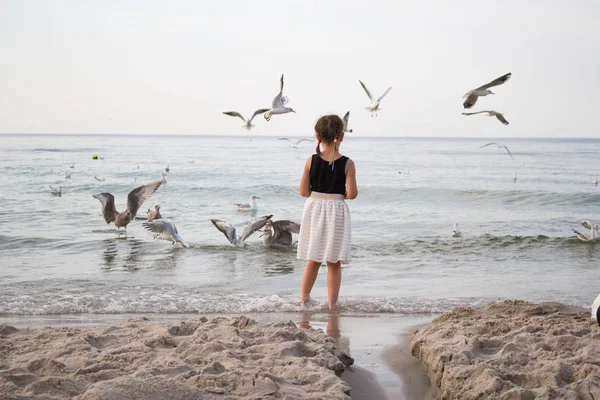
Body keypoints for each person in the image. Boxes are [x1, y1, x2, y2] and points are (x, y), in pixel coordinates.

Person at [297, 114, 358, 310]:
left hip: (314, 208)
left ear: (317, 136)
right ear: (341, 136)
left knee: (313, 258)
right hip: (336, 211)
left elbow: (304, 192)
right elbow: (353, 194)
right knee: (333, 261)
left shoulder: (311, 160)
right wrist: (341, 194)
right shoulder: (348, 163)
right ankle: (332, 304)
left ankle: (304, 299)